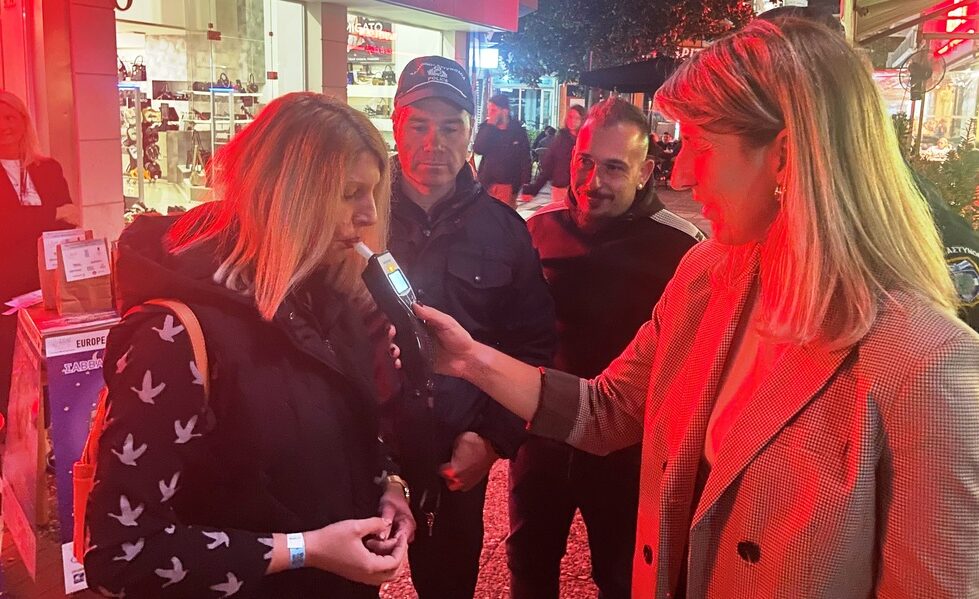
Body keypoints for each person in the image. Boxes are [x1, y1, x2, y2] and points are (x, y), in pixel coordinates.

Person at [416, 18, 979, 598]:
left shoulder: (928, 363)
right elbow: (606, 410)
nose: (680, 174)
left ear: (786, 156)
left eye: (700, 146)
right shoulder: (708, 274)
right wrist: (466, 358)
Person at [84, 93, 415, 598]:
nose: (368, 215)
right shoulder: (175, 334)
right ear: (284, 195)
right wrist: (305, 549)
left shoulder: (330, 299)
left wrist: (390, 488)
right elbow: (120, 556)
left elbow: (353, 436)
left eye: (372, 193)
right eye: (350, 193)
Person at [509, 98, 703, 599]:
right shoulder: (539, 229)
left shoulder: (685, 249)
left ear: (645, 172)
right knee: (528, 562)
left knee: (622, 577)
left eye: (615, 168)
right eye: (585, 161)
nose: (593, 181)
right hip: (543, 434)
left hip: (628, 449)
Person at [387, 56, 556, 599]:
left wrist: (491, 440)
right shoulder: (353, 214)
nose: (434, 143)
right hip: (361, 449)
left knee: (448, 585)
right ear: (396, 126)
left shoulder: (504, 231)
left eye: (450, 127)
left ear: (471, 134)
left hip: (453, 456)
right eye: (419, 124)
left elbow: (533, 345)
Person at [0, 90, 79, 418]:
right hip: (5, 286)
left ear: (24, 121)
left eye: (9, 117)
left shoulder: (47, 168)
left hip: (45, 284)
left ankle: (47, 429)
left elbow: (68, 220)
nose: (4, 126)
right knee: (7, 363)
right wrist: (47, 219)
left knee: (48, 362)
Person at [473, 94, 532, 208]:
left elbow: (525, 159)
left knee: (503, 216)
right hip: (487, 183)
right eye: (489, 110)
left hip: (508, 185)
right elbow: (478, 149)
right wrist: (490, 126)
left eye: (493, 110)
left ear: (505, 111)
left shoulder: (517, 131)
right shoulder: (487, 128)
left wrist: (526, 185)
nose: (490, 114)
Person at [520, 105, 586, 206]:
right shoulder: (560, 139)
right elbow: (548, 165)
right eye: (570, 117)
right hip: (561, 188)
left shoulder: (585, 140)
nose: (572, 121)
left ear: (582, 120)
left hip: (579, 190)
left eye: (577, 118)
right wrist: (534, 189)